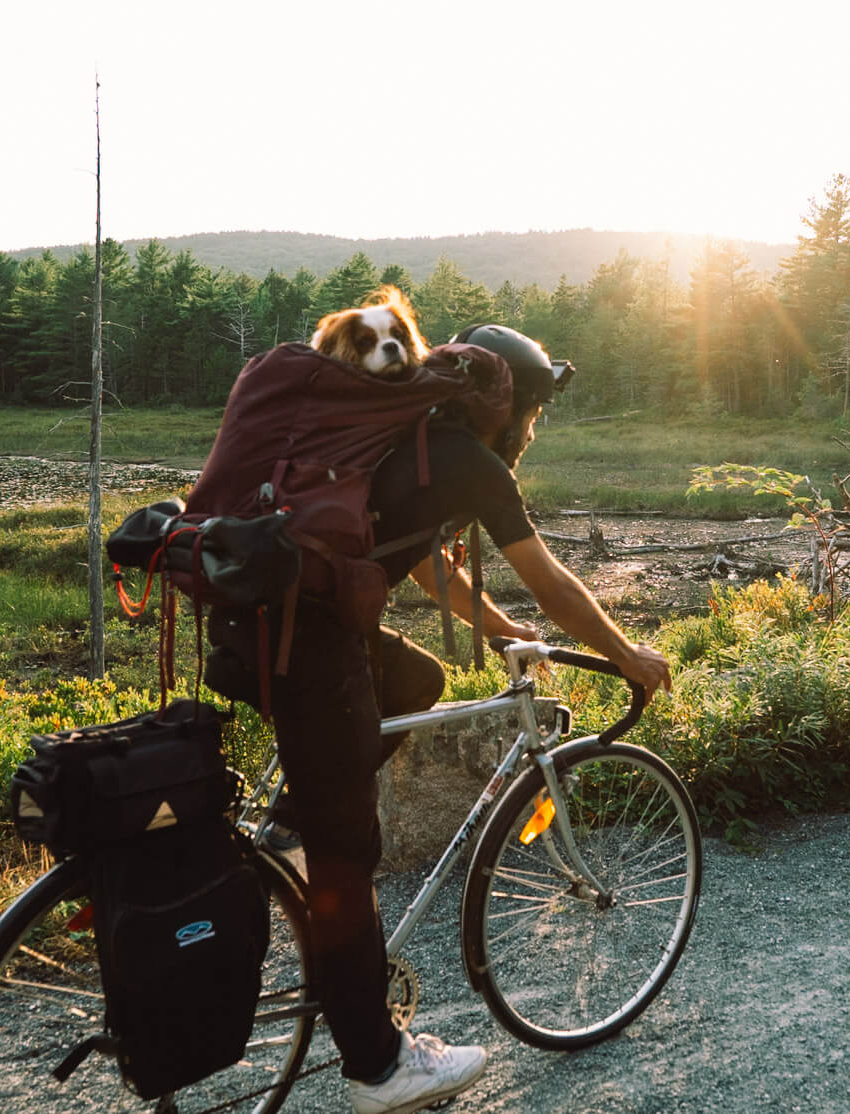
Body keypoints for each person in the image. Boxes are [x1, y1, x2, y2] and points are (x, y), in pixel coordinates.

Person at [205, 325, 671, 1114]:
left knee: (417, 675)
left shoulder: (406, 438)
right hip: (307, 647)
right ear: (511, 404)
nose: (533, 428)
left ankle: (295, 823)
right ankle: (380, 1069)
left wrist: (502, 631)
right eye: (534, 411)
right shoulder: (471, 463)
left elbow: (426, 564)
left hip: (250, 623)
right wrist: (626, 652)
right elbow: (549, 580)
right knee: (350, 855)